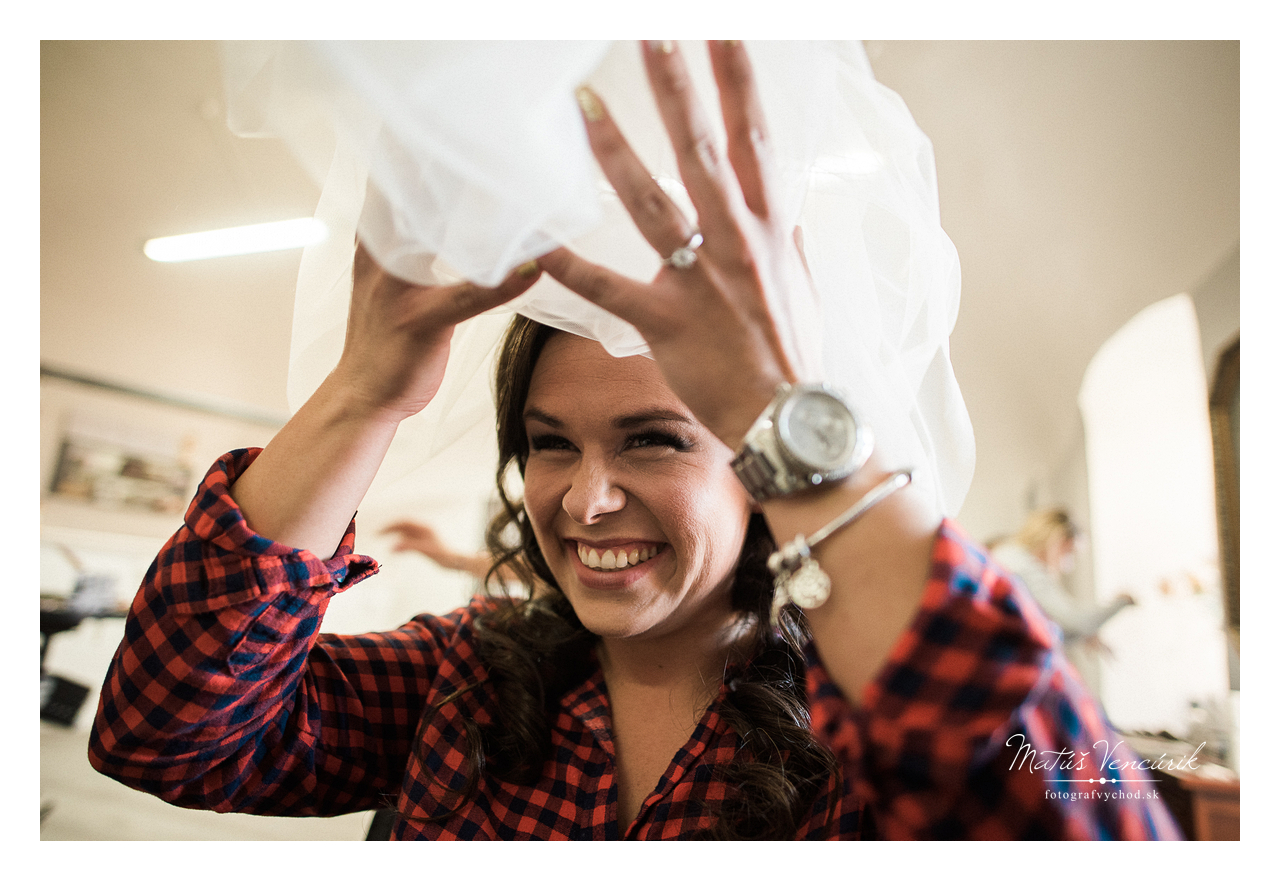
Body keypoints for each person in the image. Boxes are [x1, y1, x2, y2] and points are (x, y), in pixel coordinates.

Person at [88, 42, 1177, 839]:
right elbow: (166, 732)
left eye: (654, 439)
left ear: (761, 468)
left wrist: (790, 413)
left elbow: (1092, 808)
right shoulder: (462, 675)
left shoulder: (865, 728)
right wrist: (363, 390)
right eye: (549, 442)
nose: (584, 497)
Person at [991, 508, 1136, 647]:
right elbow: (1076, 623)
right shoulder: (1022, 565)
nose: (1067, 565)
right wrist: (1122, 601)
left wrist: (1082, 634)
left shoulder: (1008, 555)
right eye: (1070, 552)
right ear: (1059, 542)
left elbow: (1058, 630)